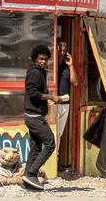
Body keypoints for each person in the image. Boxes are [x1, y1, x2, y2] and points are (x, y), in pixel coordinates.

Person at [22, 44, 62, 190]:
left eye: (46, 59)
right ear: (35, 59)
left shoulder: (40, 72)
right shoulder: (34, 72)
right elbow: (32, 92)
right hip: (34, 116)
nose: (44, 62)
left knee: (35, 147)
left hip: (35, 114)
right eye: (41, 59)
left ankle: (27, 181)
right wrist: (50, 96)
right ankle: (32, 173)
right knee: (50, 143)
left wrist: (51, 98)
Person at [57, 41, 78, 154]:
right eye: (60, 50)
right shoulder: (53, 65)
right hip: (54, 103)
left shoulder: (66, 66)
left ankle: (56, 159)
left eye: (64, 50)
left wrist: (71, 65)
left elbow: (75, 82)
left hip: (65, 103)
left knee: (59, 133)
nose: (62, 52)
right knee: (53, 133)